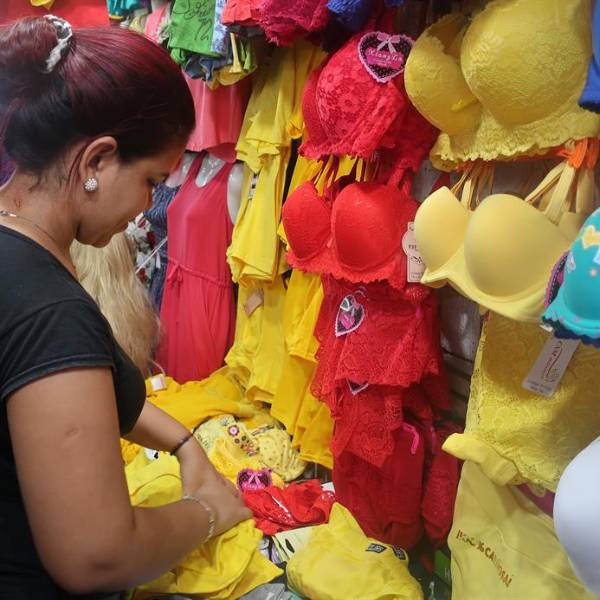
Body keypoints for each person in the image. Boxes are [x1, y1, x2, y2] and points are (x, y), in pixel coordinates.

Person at [0, 15, 251, 598]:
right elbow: (99, 556)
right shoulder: (49, 310)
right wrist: (207, 512)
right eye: (151, 181)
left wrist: (183, 443)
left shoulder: (17, 253)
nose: (146, 207)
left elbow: (73, 389)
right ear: (96, 161)